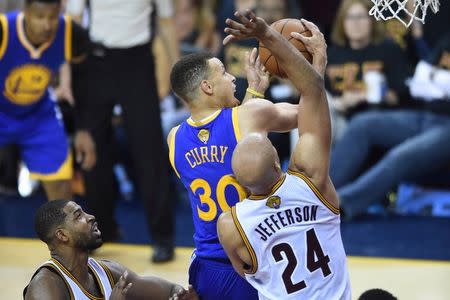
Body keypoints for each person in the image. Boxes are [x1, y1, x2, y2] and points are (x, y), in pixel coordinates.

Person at [217, 11, 351, 299]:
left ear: (237, 180)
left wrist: (254, 91)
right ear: (279, 162)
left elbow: (243, 271)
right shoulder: (311, 182)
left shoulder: (230, 225)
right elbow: (312, 91)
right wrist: (268, 34)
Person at [167, 20, 299, 300]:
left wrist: (254, 92)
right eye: (224, 73)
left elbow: (226, 139)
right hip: (252, 260)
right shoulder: (247, 117)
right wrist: (304, 65)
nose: (231, 79)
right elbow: (308, 113)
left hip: (207, 265)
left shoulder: (174, 139)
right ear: (207, 87)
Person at [66, 0, 179, 262]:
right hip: (93, 61)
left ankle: (163, 238)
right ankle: (99, 229)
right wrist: (67, 75)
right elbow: (71, 21)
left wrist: (178, 75)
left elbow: (166, 22)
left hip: (137, 62)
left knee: (149, 150)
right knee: (93, 151)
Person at [330, 32, 450, 220]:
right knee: (363, 124)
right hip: (426, 115)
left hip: (446, 127)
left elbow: (429, 79)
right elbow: (420, 80)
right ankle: (316, 194)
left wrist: (435, 79)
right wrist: (439, 82)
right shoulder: (446, 41)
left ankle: (339, 204)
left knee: (402, 155)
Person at [0, 0, 96, 201]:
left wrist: (83, 128)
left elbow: (84, 82)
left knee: (61, 186)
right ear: (25, 12)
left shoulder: (71, 33)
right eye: (39, 17)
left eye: (52, 17)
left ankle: (59, 231)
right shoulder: (4, 30)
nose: (47, 25)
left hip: (38, 114)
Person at [23, 200, 198, 300]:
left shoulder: (107, 271)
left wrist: (180, 296)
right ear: (62, 235)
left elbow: (168, 291)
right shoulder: (45, 287)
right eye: (78, 216)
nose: (90, 217)